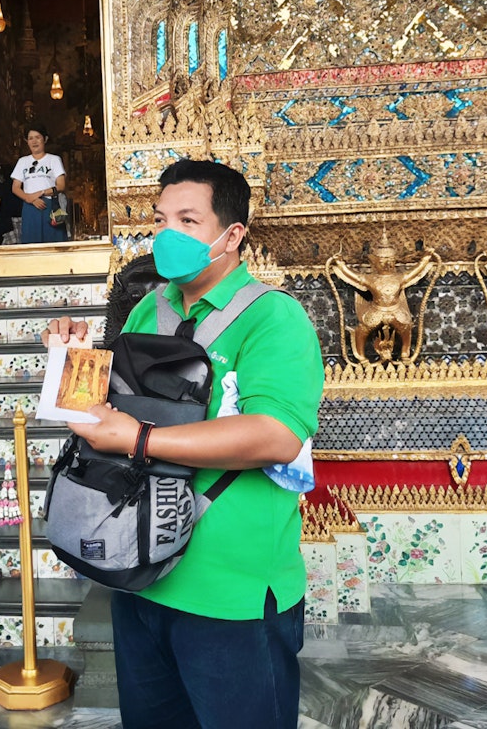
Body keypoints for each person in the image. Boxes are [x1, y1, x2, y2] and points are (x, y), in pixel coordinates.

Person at [44, 160, 324, 728]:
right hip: (141, 570)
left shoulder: (274, 318)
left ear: (232, 235)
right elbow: (102, 417)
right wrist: (68, 361)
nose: (167, 235)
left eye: (188, 220)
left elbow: (276, 434)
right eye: (160, 219)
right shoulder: (152, 307)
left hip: (231, 593)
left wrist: (142, 439)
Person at [11, 124, 67, 244]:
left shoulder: (54, 159)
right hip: (30, 208)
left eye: (38, 137)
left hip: (49, 206)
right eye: (30, 138)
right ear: (27, 141)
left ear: (45, 139)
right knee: (32, 245)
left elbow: (61, 185)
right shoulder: (23, 161)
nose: (34, 141)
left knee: (54, 245)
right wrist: (29, 198)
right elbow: (15, 188)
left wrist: (40, 193)